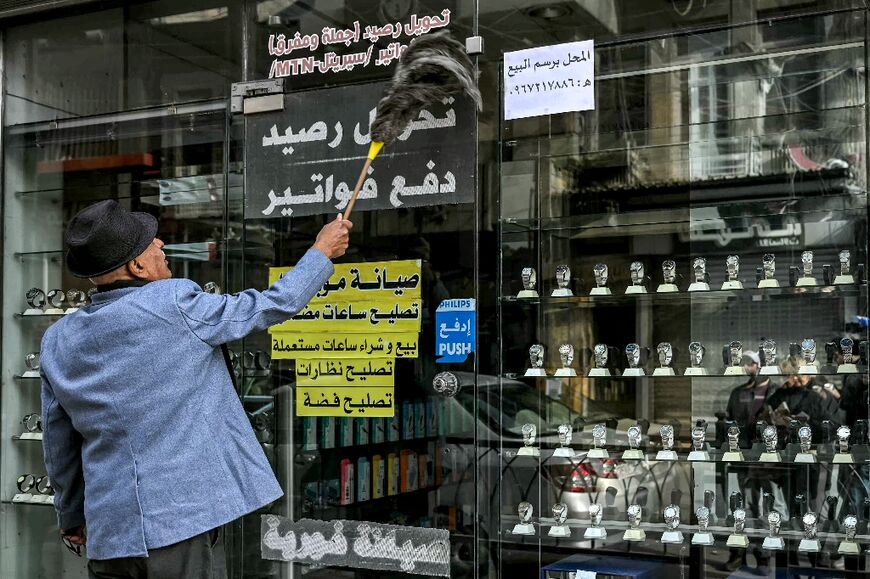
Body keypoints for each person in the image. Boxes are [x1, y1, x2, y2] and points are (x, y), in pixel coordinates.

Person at [40, 200, 351, 578]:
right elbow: (272, 305)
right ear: (137, 266)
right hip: (178, 524)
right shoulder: (172, 303)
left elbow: (59, 443)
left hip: (110, 531)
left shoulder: (58, 339)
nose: (162, 247)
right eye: (152, 243)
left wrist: (71, 515)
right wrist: (321, 252)